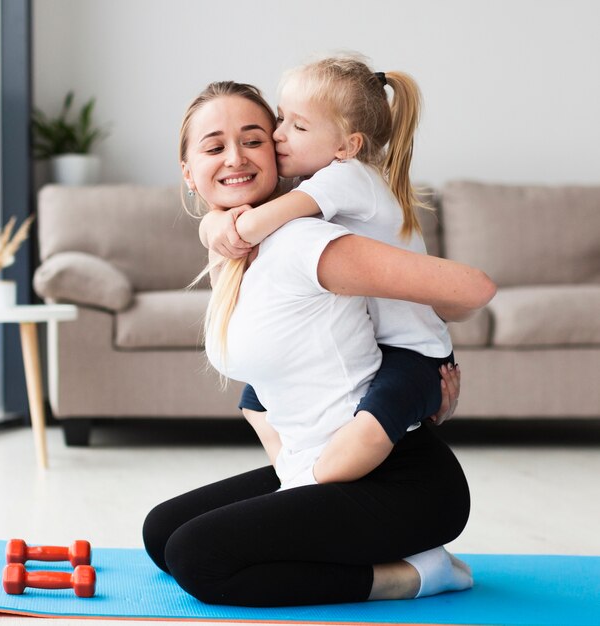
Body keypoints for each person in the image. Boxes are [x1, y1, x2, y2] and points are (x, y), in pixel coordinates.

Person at [143, 80, 496, 608]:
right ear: (189, 173)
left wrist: (420, 380)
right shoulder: (239, 251)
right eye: (214, 147)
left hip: (402, 484)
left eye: (254, 139)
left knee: (199, 558)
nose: (235, 157)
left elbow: (469, 291)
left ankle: (418, 574)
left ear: (279, 153)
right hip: (318, 461)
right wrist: (218, 226)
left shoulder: (305, 243)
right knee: (161, 534)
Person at [199, 55, 461, 484]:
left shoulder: (346, 177)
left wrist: (220, 225)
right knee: (253, 399)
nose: (278, 136)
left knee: (371, 427)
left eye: (297, 127)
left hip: (414, 351)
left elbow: (255, 224)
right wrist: (211, 223)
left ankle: (316, 484)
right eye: (280, 120)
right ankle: (294, 472)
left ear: (347, 145)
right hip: (378, 342)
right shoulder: (327, 178)